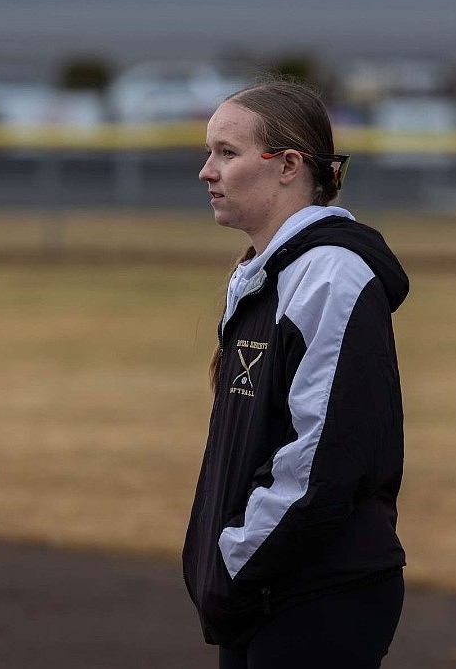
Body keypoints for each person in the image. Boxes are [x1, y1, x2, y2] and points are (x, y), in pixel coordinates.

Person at [182, 80, 409, 668]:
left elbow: (318, 462)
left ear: (288, 166)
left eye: (227, 153)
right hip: (269, 587)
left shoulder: (329, 276)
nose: (208, 172)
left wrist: (232, 560)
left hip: (316, 594)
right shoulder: (267, 271)